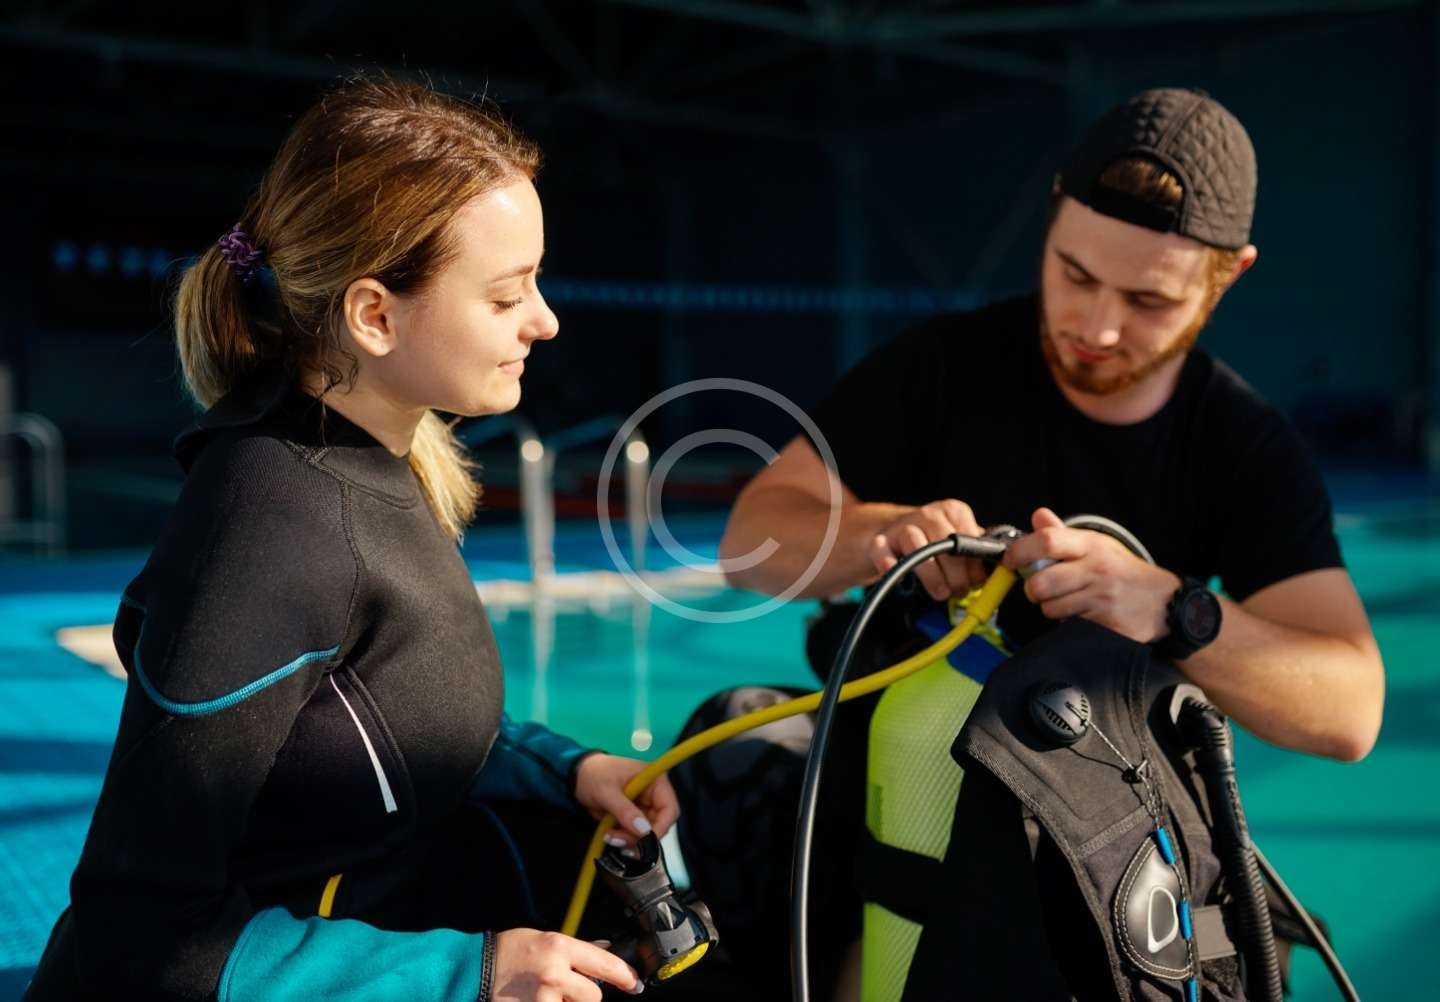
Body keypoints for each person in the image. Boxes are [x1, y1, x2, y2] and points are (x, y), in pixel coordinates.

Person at [714, 87, 1385, 994]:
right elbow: (749, 543)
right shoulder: (944, 367)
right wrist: (883, 534)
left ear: (1227, 277)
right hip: (906, 816)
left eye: (1147, 300)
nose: (1097, 326)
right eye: (1075, 274)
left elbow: (1350, 710)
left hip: (1107, 859)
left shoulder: (1240, 445)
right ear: (1054, 215)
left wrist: (1174, 610)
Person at [23, 77, 677, 1002]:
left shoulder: (377, 460)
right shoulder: (271, 533)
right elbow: (136, 931)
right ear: (375, 316)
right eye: (506, 297)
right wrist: (465, 975)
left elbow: (368, 725)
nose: (546, 320)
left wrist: (564, 769)